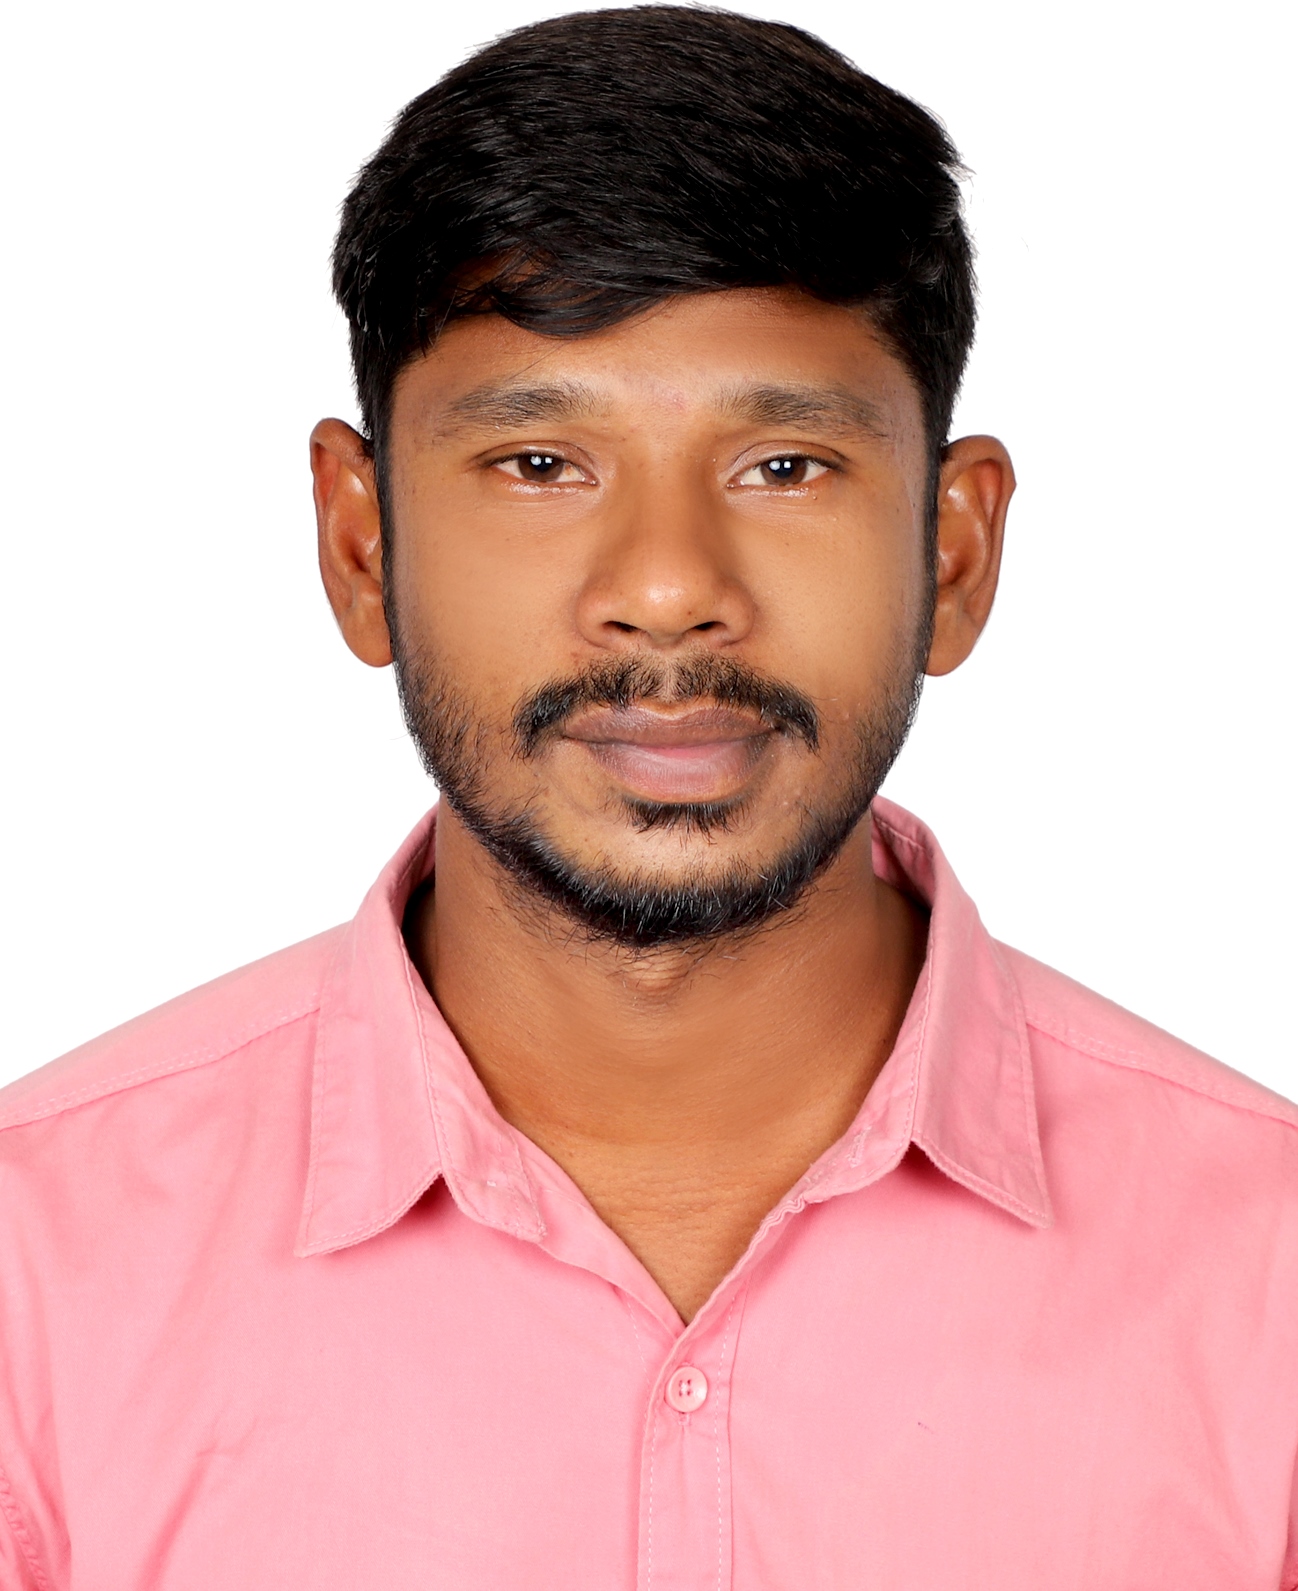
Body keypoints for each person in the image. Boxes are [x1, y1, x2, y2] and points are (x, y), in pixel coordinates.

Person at [1, 6, 1295, 1587]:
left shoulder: (1268, 1282)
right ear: (360, 546)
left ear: (953, 555)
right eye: (540, 463)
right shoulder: (32, 1278)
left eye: (784, 465)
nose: (669, 591)